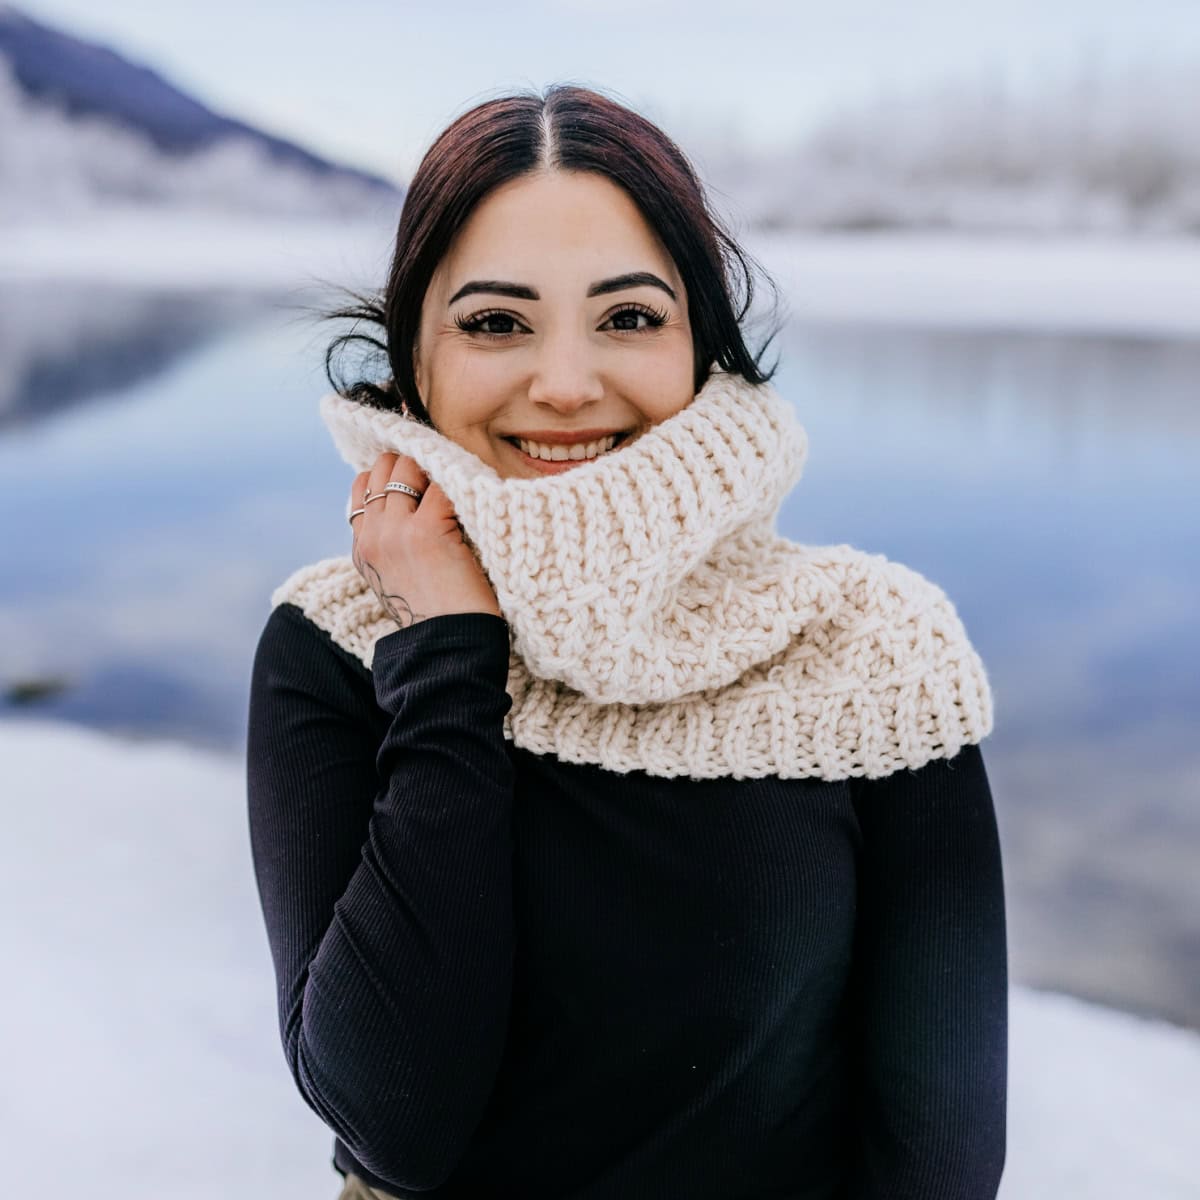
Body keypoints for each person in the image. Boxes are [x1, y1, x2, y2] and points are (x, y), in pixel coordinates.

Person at [246, 84, 1008, 1200]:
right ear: (416, 353)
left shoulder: (871, 652)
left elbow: (936, 1157)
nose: (564, 384)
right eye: (496, 322)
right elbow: (393, 1125)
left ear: (703, 342)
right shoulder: (338, 644)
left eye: (630, 317)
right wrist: (449, 657)